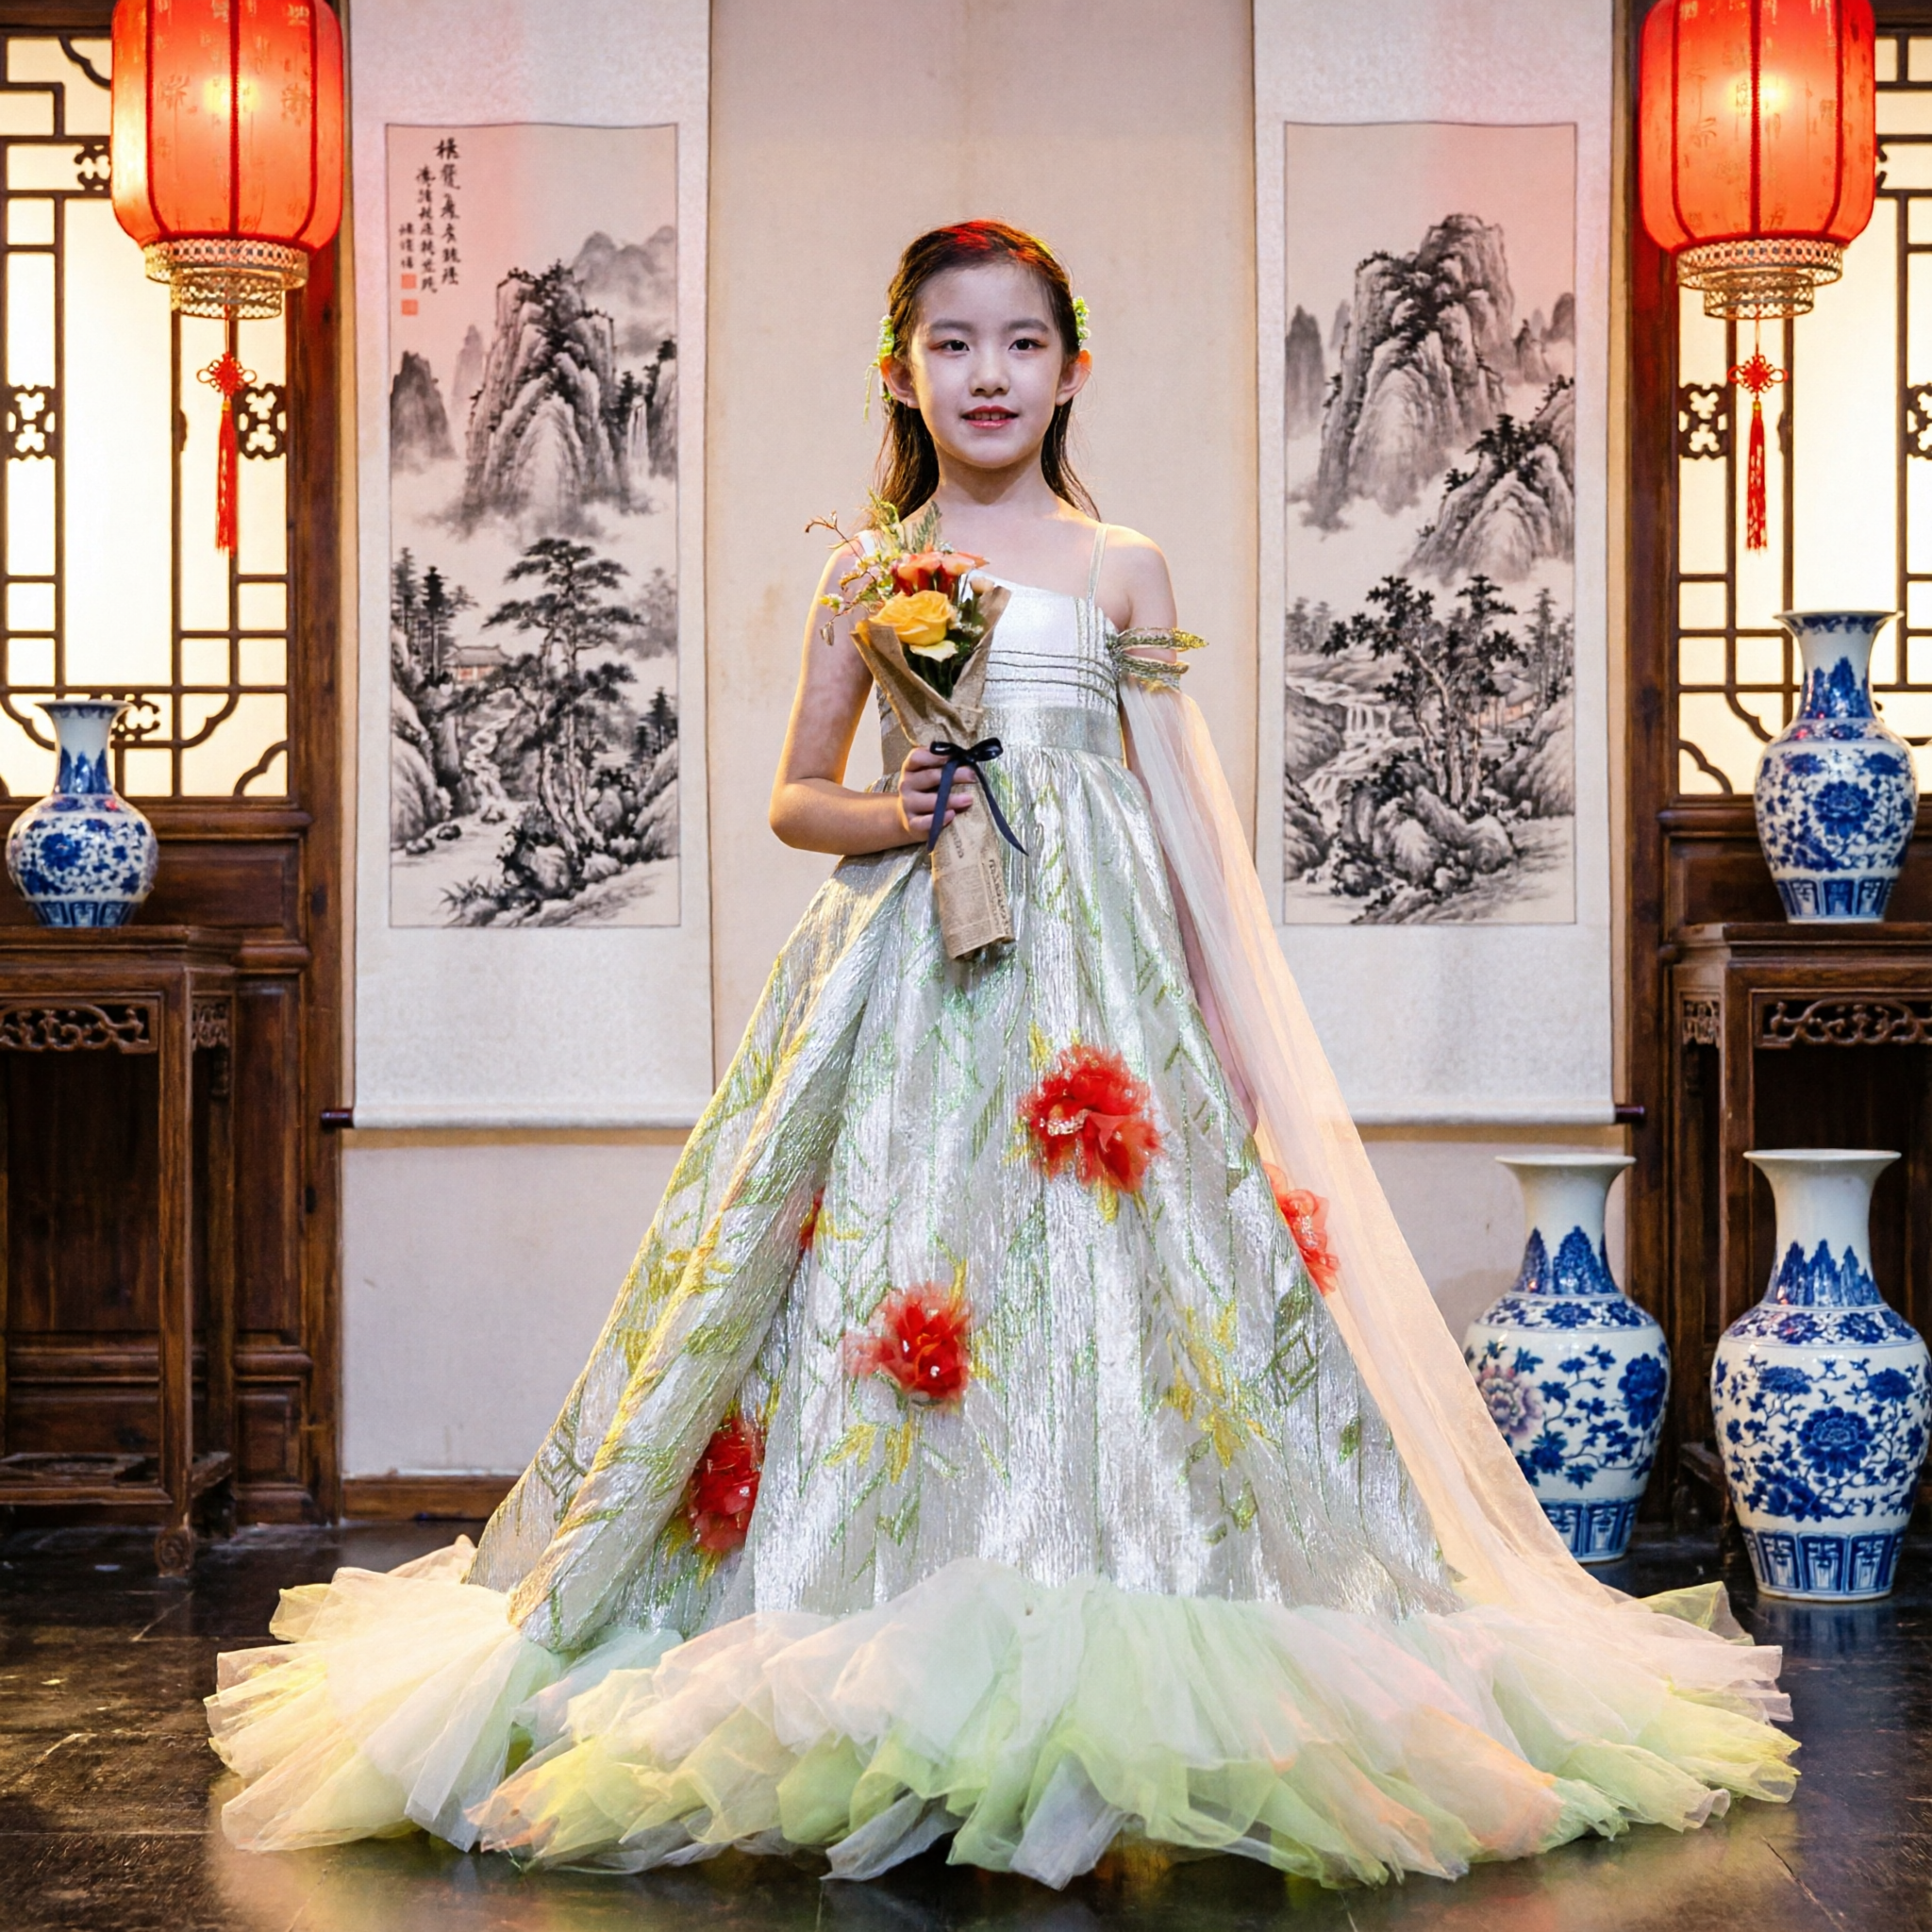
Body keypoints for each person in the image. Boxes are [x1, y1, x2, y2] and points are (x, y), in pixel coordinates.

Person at [208, 221, 1795, 1889]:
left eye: (1021, 344)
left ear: (1070, 366)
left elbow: (1180, 813)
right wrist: (887, 811)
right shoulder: (865, 569)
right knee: (877, 1277)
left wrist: (1230, 1037)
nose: (988, 375)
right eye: (953, 344)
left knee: (1123, 1292)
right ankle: (864, 1610)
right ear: (903, 368)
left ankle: (1136, 1585)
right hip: (904, 981)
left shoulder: (1121, 567)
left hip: (1095, 991)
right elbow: (791, 796)